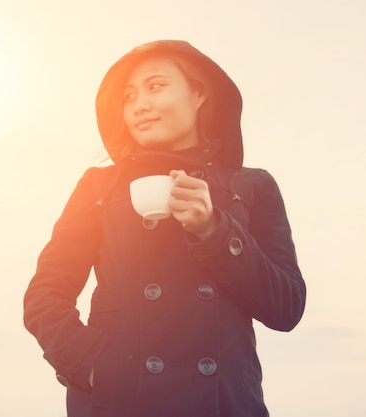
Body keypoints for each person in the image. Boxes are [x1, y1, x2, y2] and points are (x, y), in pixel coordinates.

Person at [23, 40, 306, 417]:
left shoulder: (252, 186)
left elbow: (287, 307)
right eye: (128, 96)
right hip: (119, 404)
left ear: (200, 93)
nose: (139, 104)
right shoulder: (98, 186)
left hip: (224, 406)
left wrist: (216, 232)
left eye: (156, 86)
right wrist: (93, 366)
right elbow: (44, 295)